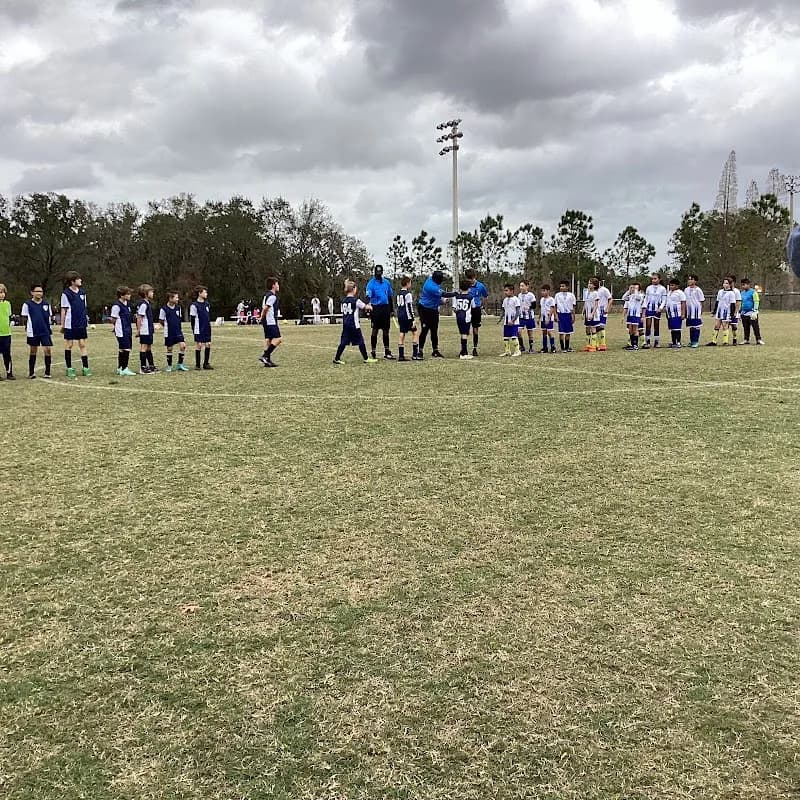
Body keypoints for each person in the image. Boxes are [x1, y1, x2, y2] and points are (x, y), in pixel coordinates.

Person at [333, 280, 375, 364]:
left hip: (346, 324)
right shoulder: (356, 300)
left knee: (343, 342)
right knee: (361, 341)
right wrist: (370, 306)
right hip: (354, 324)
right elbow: (365, 307)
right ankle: (366, 358)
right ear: (353, 289)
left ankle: (337, 358)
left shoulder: (344, 301)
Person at [60, 270, 91, 378]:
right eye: (78, 279)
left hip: (81, 323)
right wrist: (63, 325)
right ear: (72, 281)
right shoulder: (66, 294)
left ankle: (85, 367)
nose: (81, 280)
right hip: (70, 323)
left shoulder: (82, 293)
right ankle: (69, 368)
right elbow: (63, 309)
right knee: (70, 344)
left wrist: (86, 319)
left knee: (82, 344)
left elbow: (84, 307)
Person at [417, 270, 455, 359]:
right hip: (425, 309)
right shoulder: (430, 286)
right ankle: (420, 351)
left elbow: (436, 297)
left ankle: (435, 350)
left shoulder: (432, 281)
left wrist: (442, 301)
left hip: (433, 309)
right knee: (425, 330)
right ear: (436, 279)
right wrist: (455, 294)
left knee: (434, 330)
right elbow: (444, 293)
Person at [21, 284, 53, 379]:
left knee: (47, 350)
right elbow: (25, 317)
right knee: (33, 350)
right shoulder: (27, 304)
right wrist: (28, 328)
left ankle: (47, 372)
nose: (39, 293)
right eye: (37, 291)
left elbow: (49, 318)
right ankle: (31, 372)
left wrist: (49, 328)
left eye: (41, 291)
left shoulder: (46, 305)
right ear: (32, 293)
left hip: (45, 331)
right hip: (33, 331)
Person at [366, 264, 395, 360]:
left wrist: (392, 310)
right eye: (377, 272)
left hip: (385, 308)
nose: (378, 274)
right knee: (375, 330)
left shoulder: (386, 282)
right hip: (376, 308)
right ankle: (373, 350)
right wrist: (368, 309)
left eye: (380, 272)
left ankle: (387, 351)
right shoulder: (371, 283)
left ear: (382, 272)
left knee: (386, 331)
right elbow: (368, 296)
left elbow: (390, 296)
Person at [109, 286, 136, 376]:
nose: (130, 295)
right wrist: (116, 327)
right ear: (121, 295)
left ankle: (120, 368)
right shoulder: (117, 306)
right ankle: (125, 368)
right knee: (126, 348)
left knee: (122, 349)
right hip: (121, 330)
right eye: (128, 294)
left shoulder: (127, 304)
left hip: (128, 329)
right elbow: (113, 318)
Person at [159, 291, 189, 372]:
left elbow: (178, 318)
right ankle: (169, 366)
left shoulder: (178, 307)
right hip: (169, 332)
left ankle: (180, 364)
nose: (178, 299)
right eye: (176, 297)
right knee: (169, 348)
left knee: (183, 346)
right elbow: (161, 321)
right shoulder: (163, 309)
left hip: (178, 331)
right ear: (170, 298)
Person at [259, 278, 282, 368]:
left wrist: (262, 318)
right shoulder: (272, 296)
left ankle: (267, 361)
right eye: (277, 284)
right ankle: (265, 356)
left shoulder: (266, 296)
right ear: (273, 285)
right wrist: (261, 317)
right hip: (270, 321)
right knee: (278, 339)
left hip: (266, 321)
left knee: (268, 339)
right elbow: (266, 308)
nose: (278, 286)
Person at [395, 275, 420, 361]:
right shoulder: (408, 294)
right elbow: (409, 307)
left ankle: (401, 356)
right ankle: (415, 354)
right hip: (407, 316)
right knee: (415, 332)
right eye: (410, 283)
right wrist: (413, 319)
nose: (410, 284)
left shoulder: (398, 294)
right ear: (407, 283)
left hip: (400, 315)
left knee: (402, 334)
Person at [465, 269, 489, 356]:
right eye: (468, 279)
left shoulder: (480, 286)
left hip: (476, 310)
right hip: (467, 309)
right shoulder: (465, 285)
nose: (469, 281)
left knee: (475, 329)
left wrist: (483, 306)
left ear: (474, 277)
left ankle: (475, 348)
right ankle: (464, 349)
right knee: (465, 329)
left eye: (471, 279)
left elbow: (486, 296)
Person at [707, 278, 736, 346]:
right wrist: (714, 311)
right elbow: (717, 302)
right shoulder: (720, 291)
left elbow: (732, 305)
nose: (725, 284)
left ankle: (725, 341)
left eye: (726, 283)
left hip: (726, 312)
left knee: (725, 326)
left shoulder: (731, 293)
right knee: (716, 325)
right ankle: (714, 341)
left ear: (730, 285)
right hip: (719, 312)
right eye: (724, 283)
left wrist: (732, 315)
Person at [190, 285, 213, 370]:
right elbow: (192, 319)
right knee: (199, 345)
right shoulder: (194, 305)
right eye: (205, 292)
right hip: (198, 328)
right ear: (200, 293)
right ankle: (197, 364)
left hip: (207, 327)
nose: (206, 293)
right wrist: (194, 329)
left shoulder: (207, 304)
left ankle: (206, 363)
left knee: (208, 344)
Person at [452, 278, 476, 360]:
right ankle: (464, 353)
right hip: (467, 318)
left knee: (463, 334)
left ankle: (462, 351)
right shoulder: (470, 297)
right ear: (469, 288)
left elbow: (454, 308)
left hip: (459, 317)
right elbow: (474, 306)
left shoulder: (456, 297)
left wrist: (458, 312)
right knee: (465, 334)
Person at [642, 272, 667, 349]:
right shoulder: (649, 288)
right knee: (648, 325)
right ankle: (647, 341)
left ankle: (656, 342)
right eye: (652, 279)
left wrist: (660, 308)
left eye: (655, 278)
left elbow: (664, 300)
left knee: (656, 325)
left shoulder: (662, 288)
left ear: (659, 279)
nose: (653, 280)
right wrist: (644, 307)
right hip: (649, 309)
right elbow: (646, 298)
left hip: (657, 309)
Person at [136, 284, 157, 373]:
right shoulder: (143, 304)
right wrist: (139, 330)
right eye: (151, 292)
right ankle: (143, 367)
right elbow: (139, 317)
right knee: (144, 347)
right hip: (144, 329)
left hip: (149, 329)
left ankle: (151, 366)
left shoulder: (147, 303)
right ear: (145, 293)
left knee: (149, 347)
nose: (153, 293)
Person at [555, 280, 577, 352]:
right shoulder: (557, 295)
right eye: (561, 286)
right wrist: (556, 315)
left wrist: (573, 316)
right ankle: (562, 347)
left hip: (568, 315)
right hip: (561, 314)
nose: (561, 287)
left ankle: (567, 347)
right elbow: (555, 306)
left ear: (567, 287)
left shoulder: (571, 295)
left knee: (568, 332)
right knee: (561, 332)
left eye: (563, 286)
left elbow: (573, 307)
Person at [501, 283, 522, 358]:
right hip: (506, 322)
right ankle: (507, 351)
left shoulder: (516, 299)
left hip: (514, 322)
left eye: (506, 290)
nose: (505, 292)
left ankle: (517, 351)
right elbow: (503, 310)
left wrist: (513, 320)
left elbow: (518, 311)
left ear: (512, 291)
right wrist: (501, 318)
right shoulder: (505, 300)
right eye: (504, 290)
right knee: (505, 337)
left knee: (514, 337)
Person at [684, 274, 705, 348]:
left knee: (696, 326)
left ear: (695, 281)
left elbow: (702, 301)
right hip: (689, 311)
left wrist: (701, 310)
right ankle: (692, 341)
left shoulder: (698, 290)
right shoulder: (686, 289)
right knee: (691, 326)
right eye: (689, 279)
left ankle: (696, 341)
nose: (690, 281)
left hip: (696, 310)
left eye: (691, 279)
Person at [622, 282, 644, 351]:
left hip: (636, 315)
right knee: (630, 330)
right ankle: (632, 344)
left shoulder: (640, 295)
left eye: (634, 288)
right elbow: (623, 298)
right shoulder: (630, 296)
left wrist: (636, 291)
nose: (633, 289)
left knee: (635, 330)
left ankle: (635, 345)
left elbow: (638, 297)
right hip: (630, 315)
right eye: (631, 288)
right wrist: (629, 291)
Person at [665, 279, 687, 348]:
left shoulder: (680, 293)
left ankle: (678, 342)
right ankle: (673, 342)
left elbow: (683, 303)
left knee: (677, 328)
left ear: (677, 286)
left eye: (673, 285)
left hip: (677, 313)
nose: (671, 287)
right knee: (672, 329)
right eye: (670, 285)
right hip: (670, 314)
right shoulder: (669, 293)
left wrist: (683, 313)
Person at [517, 280, 537, 353]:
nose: (521, 287)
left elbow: (534, 306)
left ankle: (531, 348)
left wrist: (529, 307)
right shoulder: (519, 295)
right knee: (518, 331)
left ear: (527, 286)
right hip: (521, 317)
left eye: (522, 286)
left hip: (529, 317)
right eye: (520, 286)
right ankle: (521, 346)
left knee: (530, 333)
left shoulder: (531, 295)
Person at [583, 277, 602, 352]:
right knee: (587, 329)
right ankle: (588, 345)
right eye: (588, 283)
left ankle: (594, 345)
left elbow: (596, 305)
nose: (589, 285)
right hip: (587, 313)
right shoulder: (586, 293)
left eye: (590, 283)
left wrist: (592, 314)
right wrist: (583, 312)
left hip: (593, 314)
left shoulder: (595, 293)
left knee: (593, 328)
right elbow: (585, 303)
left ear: (594, 285)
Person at [594, 277, 613, 352]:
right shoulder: (592, 291)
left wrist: (607, 308)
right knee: (595, 327)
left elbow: (610, 299)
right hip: (595, 311)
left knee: (601, 326)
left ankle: (602, 344)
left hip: (602, 310)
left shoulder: (604, 290)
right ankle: (596, 344)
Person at [0, 283, 13, 380]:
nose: (2, 294)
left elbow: (8, 317)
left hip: (6, 333)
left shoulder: (7, 304)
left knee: (7, 354)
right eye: (0, 292)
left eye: (3, 292)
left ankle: (9, 373)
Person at [539, 284, 557, 353]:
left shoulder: (551, 299)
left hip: (548, 318)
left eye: (544, 291)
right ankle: (544, 347)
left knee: (550, 332)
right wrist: (539, 318)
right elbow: (541, 309)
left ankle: (553, 347)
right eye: (542, 291)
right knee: (544, 332)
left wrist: (549, 318)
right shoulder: (542, 299)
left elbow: (552, 309)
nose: (542, 292)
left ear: (548, 291)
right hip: (543, 318)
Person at [728, 274, 742, 345]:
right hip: (726, 311)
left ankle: (734, 339)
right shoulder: (725, 291)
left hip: (733, 311)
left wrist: (736, 312)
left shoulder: (736, 291)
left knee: (734, 325)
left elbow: (738, 302)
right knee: (726, 325)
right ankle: (725, 340)